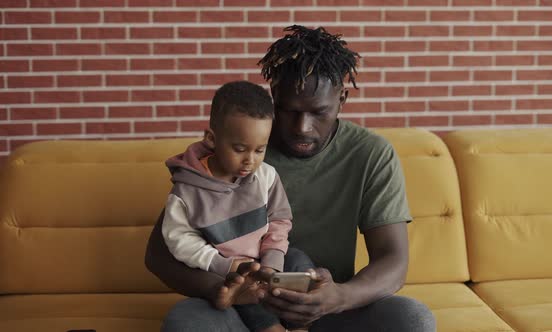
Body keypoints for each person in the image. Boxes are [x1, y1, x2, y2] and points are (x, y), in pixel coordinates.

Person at [145, 25, 436, 331]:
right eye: (289, 110)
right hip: (239, 306)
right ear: (274, 96)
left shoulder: (370, 154)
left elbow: (393, 262)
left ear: (342, 99)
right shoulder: (240, 146)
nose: (302, 128)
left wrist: (339, 296)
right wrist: (226, 290)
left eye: (318, 112)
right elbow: (158, 255)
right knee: (185, 323)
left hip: (325, 307)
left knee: (412, 319)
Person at [160, 80, 312, 332]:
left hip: (266, 258)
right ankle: (271, 328)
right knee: (243, 287)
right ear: (211, 138)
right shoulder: (186, 192)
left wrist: (272, 261)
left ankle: (300, 325)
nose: (250, 161)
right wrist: (225, 265)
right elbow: (181, 241)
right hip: (228, 271)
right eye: (239, 149)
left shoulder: (266, 176)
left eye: (260, 150)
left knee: (299, 261)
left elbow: (279, 220)